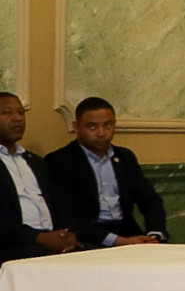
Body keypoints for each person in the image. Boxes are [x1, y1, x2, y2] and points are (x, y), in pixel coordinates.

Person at [44, 97, 167, 247]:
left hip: (128, 231)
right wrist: (117, 241)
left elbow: (150, 200)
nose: (101, 133)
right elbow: (68, 215)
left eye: (108, 125)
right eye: (92, 127)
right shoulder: (60, 161)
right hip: (88, 238)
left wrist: (154, 234)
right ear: (76, 126)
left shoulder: (124, 157)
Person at [0, 92, 82, 264]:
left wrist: (68, 235)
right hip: (12, 246)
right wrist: (39, 238)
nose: (17, 118)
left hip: (50, 240)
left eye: (21, 113)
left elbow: (60, 205)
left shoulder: (35, 161)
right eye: (7, 113)